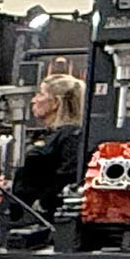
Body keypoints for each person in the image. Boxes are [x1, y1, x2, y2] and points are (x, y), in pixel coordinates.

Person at [11, 72, 86, 223]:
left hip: (43, 220)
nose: (33, 100)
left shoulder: (71, 136)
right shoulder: (51, 134)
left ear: (56, 103)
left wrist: (43, 204)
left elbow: (67, 177)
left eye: (40, 94)